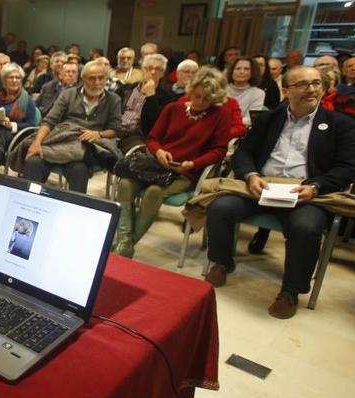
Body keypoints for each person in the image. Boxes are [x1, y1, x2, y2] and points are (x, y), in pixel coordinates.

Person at [204, 66, 355, 319]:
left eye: (317, 83)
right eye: (303, 85)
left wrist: (315, 186)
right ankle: (222, 262)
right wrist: (251, 175)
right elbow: (244, 153)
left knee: (306, 227)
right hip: (262, 186)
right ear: (286, 91)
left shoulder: (341, 124)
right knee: (220, 207)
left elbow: (347, 167)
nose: (312, 89)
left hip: (306, 191)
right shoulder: (268, 119)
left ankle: (290, 291)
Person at [113, 67, 232, 258]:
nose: (199, 102)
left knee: (154, 192)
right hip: (157, 165)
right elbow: (152, 138)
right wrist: (159, 151)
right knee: (125, 183)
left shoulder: (220, 115)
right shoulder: (173, 108)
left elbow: (219, 151)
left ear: (215, 98)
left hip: (186, 171)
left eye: (206, 99)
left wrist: (193, 163)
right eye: (197, 95)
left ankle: (125, 246)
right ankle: (125, 243)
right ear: (191, 90)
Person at [19, 60, 121, 193]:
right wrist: (37, 143)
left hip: (85, 147)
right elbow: (50, 121)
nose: (96, 82)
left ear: (106, 78)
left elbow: (115, 130)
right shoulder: (68, 94)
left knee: (80, 170)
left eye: (101, 78)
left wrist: (98, 134)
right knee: (34, 162)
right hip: (62, 141)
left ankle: (74, 208)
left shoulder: (113, 99)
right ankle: (29, 201)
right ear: (83, 79)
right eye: (92, 78)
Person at [116, 53, 176, 152]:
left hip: (139, 136)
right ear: (142, 70)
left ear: (162, 73)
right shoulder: (125, 89)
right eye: (149, 68)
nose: (153, 72)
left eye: (158, 69)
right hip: (116, 131)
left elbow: (155, 124)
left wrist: (151, 96)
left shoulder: (168, 96)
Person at [226, 56, 266, 126]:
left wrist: (229, 120)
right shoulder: (221, 89)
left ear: (252, 73)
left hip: (241, 130)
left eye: (246, 69)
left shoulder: (258, 93)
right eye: (238, 68)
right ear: (232, 71)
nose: (241, 72)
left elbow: (252, 119)